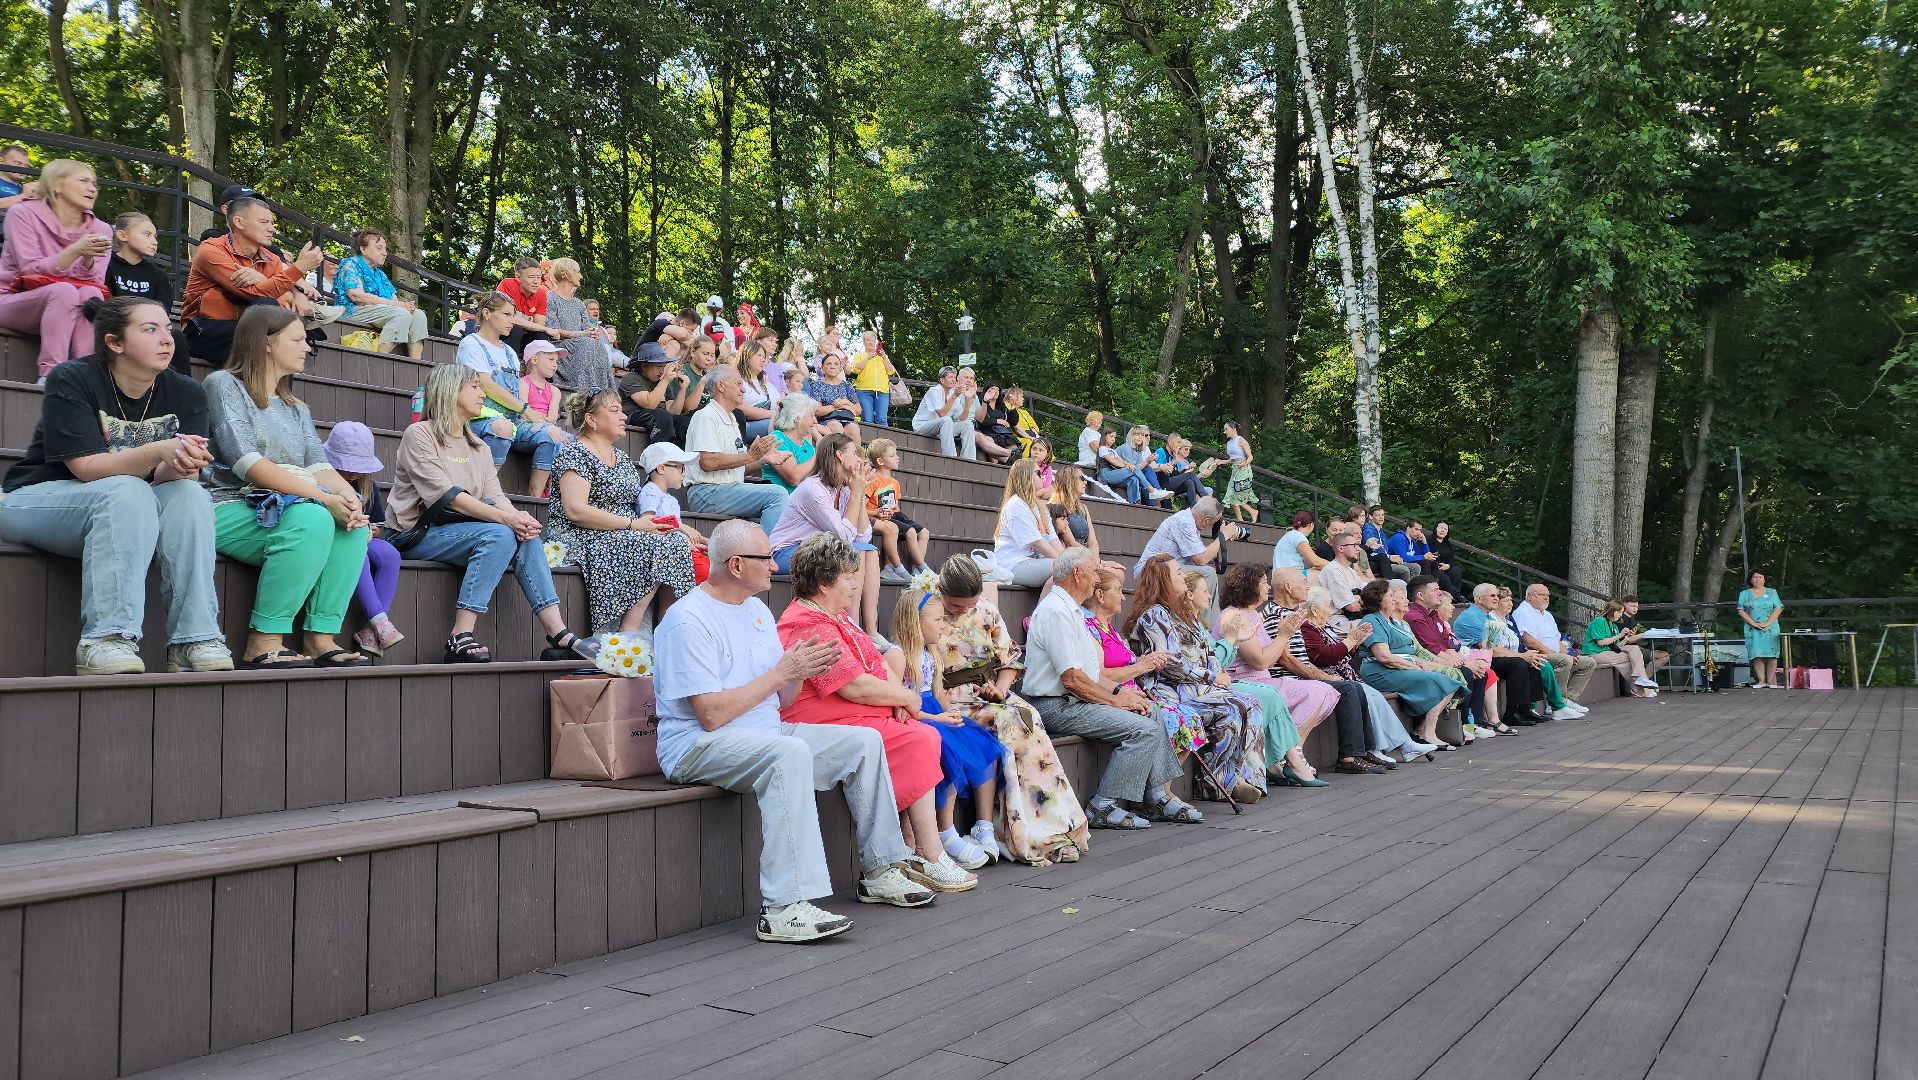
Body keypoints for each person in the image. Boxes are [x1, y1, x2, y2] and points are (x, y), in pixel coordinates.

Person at [653, 520, 937, 942]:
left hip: (762, 732)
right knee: (789, 755)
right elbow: (711, 715)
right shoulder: (687, 619)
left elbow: (782, 702)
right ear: (735, 565)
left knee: (863, 742)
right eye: (765, 558)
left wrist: (800, 672)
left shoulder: (757, 612)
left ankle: (881, 870)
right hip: (696, 744)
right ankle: (784, 907)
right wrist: (783, 672)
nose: (774, 565)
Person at [0, 296, 229, 674]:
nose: (167, 339)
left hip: (127, 510)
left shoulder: (188, 392)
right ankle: (106, 639)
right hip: (39, 499)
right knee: (128, 490)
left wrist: (182, 464)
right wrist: (159, 450)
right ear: (114, 342)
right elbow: (86, 468)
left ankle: (195, 638)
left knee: (189, 495)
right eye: (150, 329)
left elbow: (169, 478)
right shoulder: (73, 378)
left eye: (167, 329)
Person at [776, 534, 978, 892]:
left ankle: (917, 849)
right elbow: (851, 686)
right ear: (824, 583)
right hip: (819, 718)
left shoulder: (837, 617)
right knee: (919, 736)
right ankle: (927, 853)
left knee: (922, 733)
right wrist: (903, 698)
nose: (856, 583)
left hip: (852, 711)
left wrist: (896, 699)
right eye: (848, 576)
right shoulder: (806, 622)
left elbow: (879, 668)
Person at [203, 304, 373, 668]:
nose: (307, 347)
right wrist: (323, 498)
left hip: (290, 506)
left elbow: (319, 466)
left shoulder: (296, 407)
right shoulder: (222, 385)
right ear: (266, 343)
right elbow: (246, 463)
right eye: (297, 339)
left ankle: (319, 638)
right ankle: (262, 641)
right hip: (228, 504)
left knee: (353, 527)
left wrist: (349, 499)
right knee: (314, 518)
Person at [388, 364, 590, 664]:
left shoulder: (479, 446)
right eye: (475, 387)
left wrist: (518, 518)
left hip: (460, 531)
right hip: (415, 532)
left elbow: (495, 497)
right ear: (450, 391)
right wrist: (506, 519)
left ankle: (557, 632)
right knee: (500, 532)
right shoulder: (419, 434)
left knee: (525, 534)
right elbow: (447, 498)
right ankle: (460, 634)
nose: (483, 394)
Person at [921, 556, 1091, 865]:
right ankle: (1018, 832)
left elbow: (1010, 660)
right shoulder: (927, 612)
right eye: (956, 606)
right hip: (947, 696)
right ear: (942, 591)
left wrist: (999, 687)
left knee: (1029, 718)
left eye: (968, 605)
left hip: (989, 691)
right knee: (1008, 723)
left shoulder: (984, 610)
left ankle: (1055, 826)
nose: (962, 611)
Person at [1025, 549, 1190, 829]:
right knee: (1143, 728)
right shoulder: (1056, 611)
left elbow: (1090, 674)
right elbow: (1073, 680)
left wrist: (1119, 693)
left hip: (1073, 701)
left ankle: (1156, 796)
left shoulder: (1072, 610)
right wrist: (1116, 703)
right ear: (1077, 573)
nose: (1096, 578)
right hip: (1056, 706)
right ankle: (1102, 805)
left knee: (1152, 712)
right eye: (1093, 571)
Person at [542, 389, 698, 637]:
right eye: (614, 411)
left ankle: (668, 630)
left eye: (621, 410)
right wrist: (632, 525)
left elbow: (636, 508)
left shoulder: (623, 458)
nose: (623, 416)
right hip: (581, 534)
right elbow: (575, 510)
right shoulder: (575, 453)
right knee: (657, 545)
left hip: (623, 529)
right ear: (591, 420)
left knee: (677, 541)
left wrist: (675, 526)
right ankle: (629, 631)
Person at [1122, 556, 1268, 804]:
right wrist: (1211, 676)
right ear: (1164, 579)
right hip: (1169, 691)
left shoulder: (1179, 615)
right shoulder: (1155, 615)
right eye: (1178, 573)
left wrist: (1215, 671)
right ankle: (1216, 782)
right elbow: (1170, 662)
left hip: (1193, 688)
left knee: (1250, 703)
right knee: (1235, 706)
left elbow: (1206, 654)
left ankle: (1240, 780)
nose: (1182, 576)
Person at [890, 585, 1005, 869]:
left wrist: (948, 710)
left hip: (934, 714)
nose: (944, 626)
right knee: (949, 753)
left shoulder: (930, 654)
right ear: (915, 621)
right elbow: (897, 709)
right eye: (938, 620)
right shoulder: (897, 656)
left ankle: (976, 827)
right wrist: (939, 719)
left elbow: (937, 694)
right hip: (915, 721)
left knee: (978, 742)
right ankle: (946, 833)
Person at [1243, 566, 1397, 774]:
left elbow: (1303, 658)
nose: (1307, 587)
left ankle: (1364, 750)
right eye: (1302, 582)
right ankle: (1348, 757)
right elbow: (1286, 660)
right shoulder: (1276, 613)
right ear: (1288, 587)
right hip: (1287, 677)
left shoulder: (1295, 613)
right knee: (1349, 689)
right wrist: (1324, 676)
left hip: (1300, 676)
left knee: (1353, 687)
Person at [1296, 585, 1443, 762]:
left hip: (1345, 674)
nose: (1330, 611)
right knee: (1368, 695)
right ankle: (1377, 748)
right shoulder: (1308, 628)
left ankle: (1402, 745)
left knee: (1376, 697)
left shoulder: (1324, 627)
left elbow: (1340, 654)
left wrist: (1354, 643)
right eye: (1327, 606)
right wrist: (1351, 641)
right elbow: (1323, 657)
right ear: (1314, 609)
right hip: (1330, 676)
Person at [180, 197, 332, 365]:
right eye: (264, 222)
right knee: (272, 334)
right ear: (239, 222)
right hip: (204, 330)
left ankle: (275, 392)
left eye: (272, 223)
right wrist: (299, 267)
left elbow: (278, 304)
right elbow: (256, 293)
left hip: (251, 332)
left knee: (276, 337)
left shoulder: (272, 259)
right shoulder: (211, 250)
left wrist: (264, 280)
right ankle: (269, 390)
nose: (272, 228)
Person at [0, 159, 113, 380]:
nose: (92, 188)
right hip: (13, 299)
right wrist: (75, 251)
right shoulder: (22, 213)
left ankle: (84, 378)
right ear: (56, 185)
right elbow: (29, 269)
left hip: (68, 301)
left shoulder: (101, 229)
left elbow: (95, 282)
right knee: (63, 291)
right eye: (83, 180)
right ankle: (50, 376)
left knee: (90, 295)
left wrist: (87, 258)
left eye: (94, 183)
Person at [767, 432, 884, 636]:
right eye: (855, 453)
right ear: (839, 455)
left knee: (870, 551)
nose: (860, 459)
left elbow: (863, 537)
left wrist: (861, 494)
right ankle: (852, 627)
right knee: (855, 552)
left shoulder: (846, 489)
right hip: (786, 552)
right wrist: (857, 492)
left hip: (816, 550)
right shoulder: (813, 489)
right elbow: (845, 537)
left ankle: (872, 631)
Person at [456, 294, 569, 497]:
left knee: (553, 433)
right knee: (502, 427)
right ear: (487, 314)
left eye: (513, 315)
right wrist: (527, 410)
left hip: (512, 420)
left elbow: (514, 391)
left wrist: (537, 420)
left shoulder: (509, 351)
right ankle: (482, 494)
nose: (513, 320)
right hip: (477, 418)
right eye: (507, 314)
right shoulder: (471, 344)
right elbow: (486, 385)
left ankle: (537, 500)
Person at [322, 421, 405, 658]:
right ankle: (380, 620)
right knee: (357, 552)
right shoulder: (323, 481)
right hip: (338, 539)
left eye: (359, 468)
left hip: (364, 537)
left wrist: (370, 529)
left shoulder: (369, 486)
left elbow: (379, 524)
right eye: (347, 467)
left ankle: (371, 630)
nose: (354, 473)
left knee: (390, 553)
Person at [1356, 578, 1466, 750]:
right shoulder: (1372, 620)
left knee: (1447, 678)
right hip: (1380, 670)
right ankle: (1426, 732)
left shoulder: (1392, 622)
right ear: (1378, 598)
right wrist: (1416, 666)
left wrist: (1425, 664)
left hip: (1399, 667)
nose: (1394, 599)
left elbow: (1412, 652)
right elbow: (1385, 657)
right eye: (1390, 595)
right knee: (1444, 681)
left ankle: (1425, 730)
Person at [683, 364, 792, 534]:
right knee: (777, 495)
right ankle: (767, 554)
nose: (743, 390)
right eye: (739, 384)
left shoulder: (732, 418)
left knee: (782, 496)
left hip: (724, 490)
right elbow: (708, 462)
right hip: (706, 493)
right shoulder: (706, 416)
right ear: (721, 385)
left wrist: (761, 461)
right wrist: (750, 456)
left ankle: (762, 551)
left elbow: (739, 467)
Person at [1403, 575, 1494, 739]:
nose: (1439, 593)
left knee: (1481, 671)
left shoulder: (1433, 615)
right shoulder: (1414, 616)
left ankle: (1474, 724)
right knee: (1465, 673)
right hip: (1426, 661)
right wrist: (1461, 665)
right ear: (1420, 596)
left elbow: (1447, 645)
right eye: (1435, 590)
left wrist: (1465, 662)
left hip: (1439, 658)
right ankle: (1463, 724)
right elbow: (1430, 649)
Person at [100, 212, 189, 376]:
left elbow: (163, 310)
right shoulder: (106, 266)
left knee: (177, 337)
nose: (154, 242)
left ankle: (184, 390)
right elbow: (105, 304)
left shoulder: (157, 275)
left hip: (151, 329)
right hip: (118, 328)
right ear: (122, 235)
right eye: (147, 234)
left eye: (155, 236)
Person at [1453, 583, 1552, 726]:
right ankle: (1511, 713)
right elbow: (1490, 648)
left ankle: (1525, 708)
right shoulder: (1471, 617)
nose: (1496, 599)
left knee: (1531, 662)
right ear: (1479, 599)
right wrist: (1521, 656)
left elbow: (1497, 647)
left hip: (1486, 657)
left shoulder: (1488, 617)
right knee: (1519, 663)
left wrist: (1524, 656)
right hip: (1475, 659)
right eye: (1492, 596)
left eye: (1497, 596)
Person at [1135, 496, 1242, 615]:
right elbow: (1201, 559)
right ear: (1206, 520)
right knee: (1208, 573)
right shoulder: (1184, 523)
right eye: (1211, 523)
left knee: (1205, 572)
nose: (1210, 526)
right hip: (1151, 571)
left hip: (1168, 569)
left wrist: (1221, 539)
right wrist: (1223, 536)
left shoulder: (1187, 520)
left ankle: (1200, 621)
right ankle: (1209, 627)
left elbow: (1203, 555)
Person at [332, 227, 430, 358]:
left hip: (378, 312)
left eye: (385, 249)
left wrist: (405, 306)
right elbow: (356, 296)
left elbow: (394, 300)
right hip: (352, 310)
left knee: (418, 315)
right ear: (363, 249)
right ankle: (379, 359)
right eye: (379, 248)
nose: (385, 253)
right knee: (401, 314)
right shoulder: (349, 264)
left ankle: (415, 363)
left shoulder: (380, 274)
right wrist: (398, 306)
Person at [1512, 583, 1600, 706]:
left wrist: (1569, 653)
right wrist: (1558, 655)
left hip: (1554, 655)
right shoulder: (1523, 612)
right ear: (1529, 596)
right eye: (1541, 594)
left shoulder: (1547, 614)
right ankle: (1556, 703)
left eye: (1547, 595)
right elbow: (1529, 641)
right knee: (1564, 660)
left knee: (1589, 662)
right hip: (1536, 656)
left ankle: (1569, 699)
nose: (1546, 597)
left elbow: (1557, 639)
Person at [536, 257, 613, 391]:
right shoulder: (550, 298)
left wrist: (592, 334)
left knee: (599, 346)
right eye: (577, 271)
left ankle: (604, 393)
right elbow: (555, 332)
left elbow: (587, 330)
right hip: (561, 345)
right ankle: (584, 392)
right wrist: (584, 335)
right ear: (566, 274)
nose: (581, 275)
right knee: (587, 343)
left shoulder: (578, 303)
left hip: (581, 344)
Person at [990, 459, 1063, 589]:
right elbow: (1037, 542)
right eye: (1038, 474)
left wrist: (1070, 561)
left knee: (1072, 568)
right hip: (1012, 564)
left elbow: (1052, 539)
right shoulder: (1016, 504)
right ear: (1026, 476)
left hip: (1033, 561)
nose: (1043, 477)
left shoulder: (1040, 507)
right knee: (1062, 569)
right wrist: (1066, 564)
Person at [866, 438, 931, 581]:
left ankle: (916, 568)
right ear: (880, 461)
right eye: (892, 455)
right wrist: (877, 513)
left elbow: (895, 506)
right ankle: (922, 566)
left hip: (894, 514)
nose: (897, 457)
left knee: (924, 532)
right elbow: (863, 506)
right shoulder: (873, 480)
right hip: (879, 515)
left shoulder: (895, 482)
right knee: (911, 531)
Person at [1579, 598, 1660, 697]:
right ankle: (1640, 688)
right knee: (1631, 659)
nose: (1621, 615)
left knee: (1634, 649)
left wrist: (1626, 637)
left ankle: (1640, 683)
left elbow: (1616, 646)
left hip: (1608, 652)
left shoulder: (1613, 626)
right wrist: (1619, 635)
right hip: (1594, 653)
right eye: (1619, 612)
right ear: (1613, 611)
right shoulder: (1599, 621)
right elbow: (1601, 642)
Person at [617, 341, 680, 444]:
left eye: (663, 366)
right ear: (644, 366)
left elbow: (673, 412)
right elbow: (649, 404)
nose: (662, 371)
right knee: (662, 417)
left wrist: (683, 389)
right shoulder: (631, 378)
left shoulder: (662, 382)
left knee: (683, 422)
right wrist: (665, 381)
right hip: (633, 418)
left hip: (660, 419)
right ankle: (659, 455)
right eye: (658, 366)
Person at [912, 366, 977, 460]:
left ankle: (969, 460)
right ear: (942, 380)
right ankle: (951, 458)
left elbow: (962, 418)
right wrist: (955, 395)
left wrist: (967, 400)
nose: (954, 380)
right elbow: (942, 414)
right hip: (922, 426)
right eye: (950, 377)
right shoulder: (934, 391)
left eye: (954, 377)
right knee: (946, 420)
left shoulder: (953, 394)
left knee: (968, 424)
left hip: (942, 429)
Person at [760, 393, 820, 490]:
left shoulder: (807, 445)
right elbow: (793, 479)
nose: (815, 421)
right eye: (812, 416)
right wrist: (819, 453)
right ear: (797, 418)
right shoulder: (777, 439)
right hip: (782, 501)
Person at [1316, 523, 1370, 628]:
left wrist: (1359, 598)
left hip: (1352, 618)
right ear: (1341, 548)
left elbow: (1364, 595)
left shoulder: (1351, 571)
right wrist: (1364, 599)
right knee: (1376, 628)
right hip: (1334, 621)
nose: (1358, 549)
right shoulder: (1333, 570)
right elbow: (1352, 606)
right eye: (1354, 545)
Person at [494, 257, 551, 355]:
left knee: (540, 335)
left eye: (538, 277)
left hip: (520, 336)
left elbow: (539, 325)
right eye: (531, 277)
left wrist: (542, 329)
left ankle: (535, 368)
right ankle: (509, 365)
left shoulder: (541, 293)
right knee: (515, 328)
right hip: (499, 333)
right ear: (518, 276)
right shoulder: (508, 284)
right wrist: (543, 328)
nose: (536, 282)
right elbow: (510, 318)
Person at [1047, 464, 1102, 564]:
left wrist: (1097, 562)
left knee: (1116, 573)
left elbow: (1093, 542)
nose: (1085, 482)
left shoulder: (1083, 508)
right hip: (1070, 557)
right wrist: (1094, 561)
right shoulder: (1057, 506)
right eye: (1081, 478)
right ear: (1069, 480)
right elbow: (1070, 542)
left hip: (1087, 557)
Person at [1738, 571, 1784, 688]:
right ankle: (1761, 681)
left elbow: (1778, 608)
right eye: (1754, 577)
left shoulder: (1772, 592)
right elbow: (1740, 610)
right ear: (1751, 580)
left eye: (1760, 577)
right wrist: (1753, 623)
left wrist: (1768, 623)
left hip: (1770, 627)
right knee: (1756, 654)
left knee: (1772, 654)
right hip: (1752, 627)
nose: (1757, 579)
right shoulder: (1744, 594)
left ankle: (1771, 681)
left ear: (1764, 579)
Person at [1104, 426, 1171, 505]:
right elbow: (1133, 469)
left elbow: (1138, 469)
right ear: (1131, 436)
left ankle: (1150, 500)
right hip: (1115, 474)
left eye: (1142, 435)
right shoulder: (1126, 448)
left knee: (1144, 473)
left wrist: (1148, 461)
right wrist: (1146, 461)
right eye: (1137, 435)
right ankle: (1154, 491)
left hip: (1129, 474)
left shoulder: (1137, 450)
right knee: (1143, 474)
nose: (1140, 437)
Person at [803, 353, 862, 436]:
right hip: (826, 420)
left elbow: (858, 410)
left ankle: (854, 449)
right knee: (836, 426)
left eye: (836, 364)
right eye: (829, 364)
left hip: (847, 419)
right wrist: (835, 406)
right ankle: (836, 449)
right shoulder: (817, 385)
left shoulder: (847, 385)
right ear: (823, 368)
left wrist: (845, 402)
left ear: (840, 368)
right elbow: (817, 410)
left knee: (853, 429)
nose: (833, 366)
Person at [848, 330, 897, 429]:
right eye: (868, 340)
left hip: (882, 391)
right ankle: (867, 443)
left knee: (882, 419)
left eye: (873, 341)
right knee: (868, 419)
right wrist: (867, 358)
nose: (871, 342)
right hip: (864, 390)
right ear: (864, 342)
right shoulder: (860, 356)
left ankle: (884, 444)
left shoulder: (882, 357)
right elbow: (856, 369)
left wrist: (884, 357)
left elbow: (891, 371)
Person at [737, 338, 781, 439]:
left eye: (764, 356)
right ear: (747, 356)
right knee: (781, 425)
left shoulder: (768, 385)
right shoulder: (738, 381)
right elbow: (743, 410)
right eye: (759, 355)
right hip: (748, 425)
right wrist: (773, 414)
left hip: (772, 420)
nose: (763, 359)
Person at [1151, 433, 1209, 508]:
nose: (1179, 444)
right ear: (1170, 441)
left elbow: (1176, 475)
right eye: (1178, 442)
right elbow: (1160, 469)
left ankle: (1193, 507)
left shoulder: (1173, 455)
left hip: (1170, 483)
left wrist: (1183, 469)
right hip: (1161, 483)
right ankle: (1206, 499)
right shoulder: (1161, 451)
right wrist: (1174, 460)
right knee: (1190, 474)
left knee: (1189, 482)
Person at [1220, 421, 1257, 522]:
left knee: (1235, 494)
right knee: (1231, 495)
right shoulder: (1229, 443)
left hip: (1243, 470)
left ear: (1233, 429)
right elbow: (1231, 459)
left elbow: (1250, 456)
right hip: (1235, 470)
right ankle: (1241, 519)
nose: (1225, 431)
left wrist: (1244, 464)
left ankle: (1250, 513)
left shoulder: (1241, 440)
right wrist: (1221, 462)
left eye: (1226, 429)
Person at [1273, 510, 1329, 578]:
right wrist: (1336, 566)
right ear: (1311, 524)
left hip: (1280, 576)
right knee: (1323, 573)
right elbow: (1316, 562)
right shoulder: (1299, 537)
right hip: (1290, 577)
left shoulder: (1290, 534)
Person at [974, 384, 1019, 464]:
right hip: (989, 432)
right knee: (992, 443)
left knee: (1015, 451)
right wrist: (997, 421)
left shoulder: (1001, 407)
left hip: (1003, 434)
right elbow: (982, 421)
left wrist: (1013, 405)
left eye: (997, 389)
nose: (995, 391)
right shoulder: (982, 405)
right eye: (992, 388)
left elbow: (1013, 422)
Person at [1005, 387, 1041, 458]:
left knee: (1044, 443)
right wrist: (1029, 436)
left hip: (1030, 434)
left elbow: (1035, 427)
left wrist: (1034, 433)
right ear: (1015, 396)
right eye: (1021, 396)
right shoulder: (1007, 406)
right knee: (1029, 442)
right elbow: (1015, 425)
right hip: (1017, 436)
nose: (1023, 399)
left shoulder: (1024, 412)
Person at [1430, 521, 1463, 597]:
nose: (1443, 530)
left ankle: (1456, 594)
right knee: (1442, 576)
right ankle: (1456, 596)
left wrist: (1448, 565)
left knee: (1456, 571)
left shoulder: (1447, 543)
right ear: (1436, 528)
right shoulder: (1429, 540)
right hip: (1434, 567)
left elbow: (1451, 558)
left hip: (1446, 567)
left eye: (1445, 529)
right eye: (1441, 528)